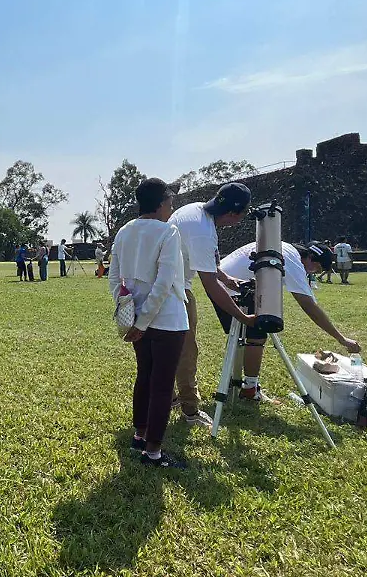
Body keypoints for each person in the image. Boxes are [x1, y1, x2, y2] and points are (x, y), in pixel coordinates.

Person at [108, 178, 190, 469]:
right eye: (169, 202)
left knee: (145, 376)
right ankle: (153, 452)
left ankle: (139, 434)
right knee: (162, 385)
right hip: (166, 319)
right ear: (160, 204)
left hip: (136, 317)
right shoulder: (168, 231)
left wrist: (129, 310)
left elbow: (114, 277)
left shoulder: (124, 231)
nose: (172, 207)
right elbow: (165, 281)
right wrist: (144, 321)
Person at [217, 241, 361, 401]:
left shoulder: (283, 247)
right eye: (316, 268)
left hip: (219, 283)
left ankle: (234, 381)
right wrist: (341, 338)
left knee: (239, 339)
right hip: (234, 288)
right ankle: (250, 389)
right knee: (256, 337)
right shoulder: (293, 260)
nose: (312, 272)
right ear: (311, 258)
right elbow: (308, 305)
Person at [168, 182, 258, 428]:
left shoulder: (196, 211)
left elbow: (205, 263)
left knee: (170, 348)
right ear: (233, 214)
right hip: (174, 291)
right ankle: (190, 410)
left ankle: (171, 397)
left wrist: (227, 279)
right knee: (186, 350)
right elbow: (209, 285)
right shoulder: (202, 231)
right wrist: (243, 316)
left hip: (165, 285)